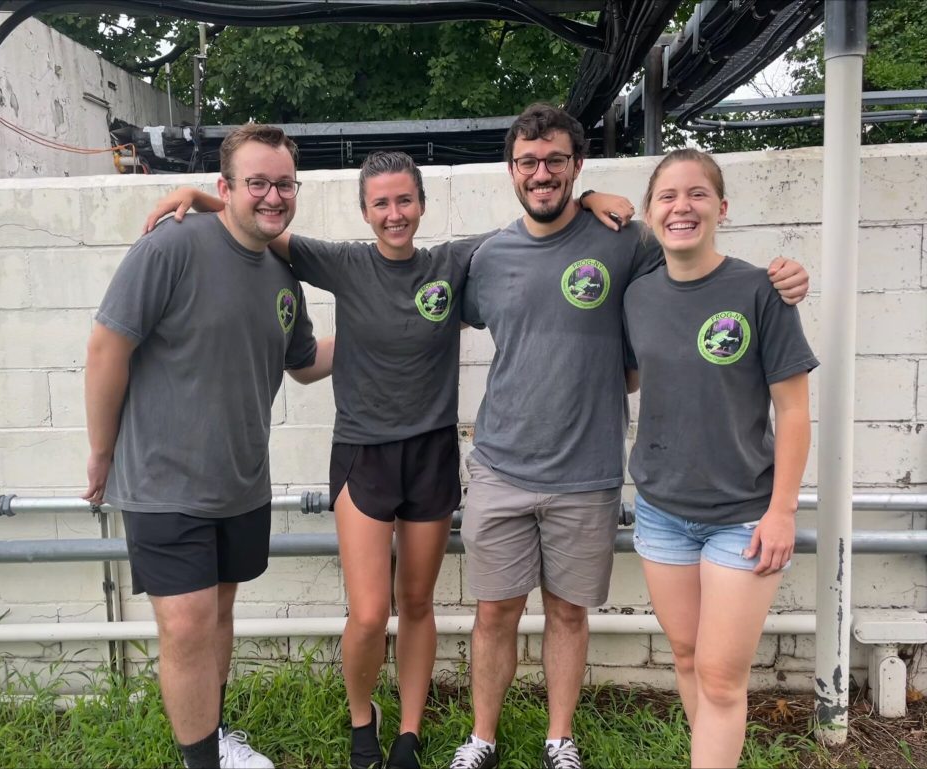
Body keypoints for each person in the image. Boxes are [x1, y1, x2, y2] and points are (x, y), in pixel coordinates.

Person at [142, 152, 633, 769]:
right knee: (371, 612)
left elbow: (536, 223)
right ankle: (361, 720)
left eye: (405, 201)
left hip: (430, 455)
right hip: (364, 457)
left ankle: (410, 730)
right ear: (365, 211)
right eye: (381, 203)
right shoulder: (343, 264)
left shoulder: (452, 264)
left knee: (419, 604)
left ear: (421, 205)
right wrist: (203, 194)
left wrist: (588, 200)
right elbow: (265, 223)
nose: (394, 213)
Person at [450, 104, 809, 769]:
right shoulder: (489, 256)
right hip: (501, 466)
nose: (542, 172)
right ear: (510, 169)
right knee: (495, 612)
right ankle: (482, 738)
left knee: (568, 613)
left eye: (557, 160)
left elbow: (692, 260)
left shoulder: (627, 243)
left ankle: (561, 738)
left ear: (578, 164)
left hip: (589, 471)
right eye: (528, 161)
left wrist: (783, 277)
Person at [83, 123, 333, 769]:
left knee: (219, 613)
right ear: (226, 187)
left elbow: (302, 362)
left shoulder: (282, 268)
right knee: (187, 624)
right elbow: (107, 347)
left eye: (284, 183)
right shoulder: (172, 246)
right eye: (257, 183)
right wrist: (101, 451)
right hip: (165, 479)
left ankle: (214, 735)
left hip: (240, 480)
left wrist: (386, 329)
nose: (272, 195)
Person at [623, 149, 816, 768]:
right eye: (668, 197)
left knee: (723, 677)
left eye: (697, 194)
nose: (682, 207)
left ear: (722, 208)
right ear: (651, 215)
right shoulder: (636, 297)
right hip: (661, 512)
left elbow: (792, 411)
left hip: (743, 517)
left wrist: (782, 511)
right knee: (686, 659)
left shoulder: (761, 290)